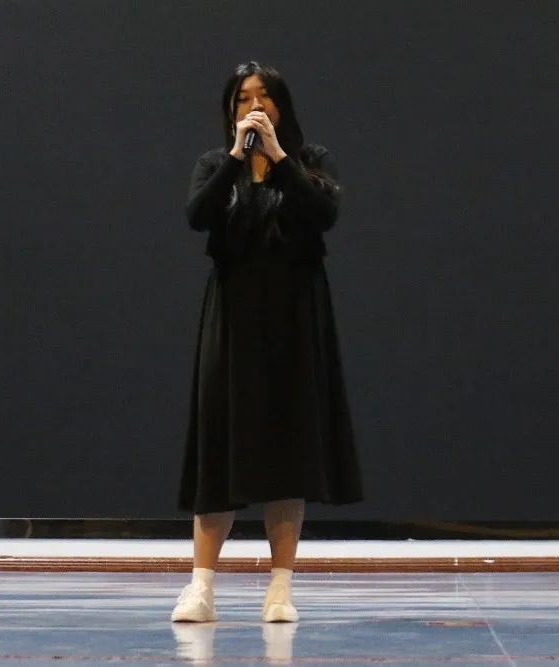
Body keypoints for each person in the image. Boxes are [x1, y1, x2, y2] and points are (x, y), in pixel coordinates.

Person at [172, 61, 363, 623]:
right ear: (230, 110)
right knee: (219, 446)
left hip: (293, 318)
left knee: (289, 446)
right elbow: (198, 216)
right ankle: (201, 588)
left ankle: (280, 588)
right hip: (233, 317)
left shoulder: (310, 162)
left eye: (264, 97)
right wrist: (238, 157)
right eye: (242, 98)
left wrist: (279, 158)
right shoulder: (215, 164)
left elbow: (323, 214)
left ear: (282, 105)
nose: (254, 106)